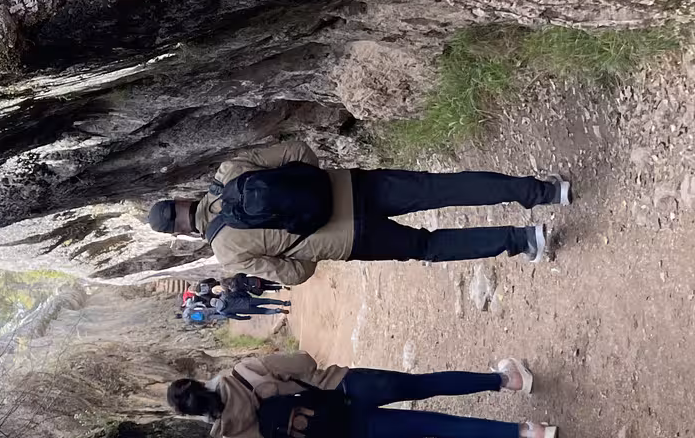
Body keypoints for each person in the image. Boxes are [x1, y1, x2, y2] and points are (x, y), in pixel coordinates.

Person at [144, 139, 569, 286]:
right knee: (441, 188)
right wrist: (312, 186)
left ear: (179, 234)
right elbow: (298, 151)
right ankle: (545, 191)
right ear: (180, 199)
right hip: (353, 184)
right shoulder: (227, 172)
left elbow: (296, 275)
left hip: (350, 240)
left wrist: (305, 240)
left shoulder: (227, 253)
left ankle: (524, 240)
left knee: (427, 246)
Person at [167, 349, 559, 438]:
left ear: (195, 415)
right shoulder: (243, 372)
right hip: (345, 387)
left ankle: (530, 432)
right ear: (202, 382)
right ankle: (508, 380)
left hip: (341, 431)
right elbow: (305, 362)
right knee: (424, 386)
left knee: (432, 426)